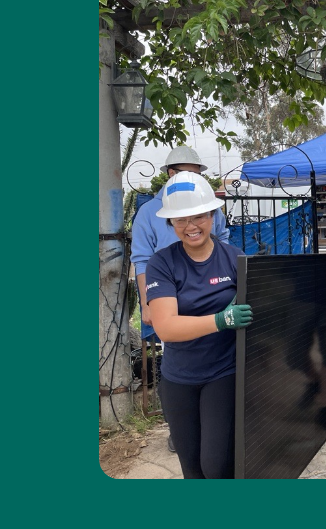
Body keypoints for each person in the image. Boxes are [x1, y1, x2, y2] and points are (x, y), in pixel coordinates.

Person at [143, 171, 253, 479]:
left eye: (198, 216)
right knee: (192, 470)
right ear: (171, 223)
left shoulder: (234, 258)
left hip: (223, 373)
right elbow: (166, 327)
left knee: (216, 466)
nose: (191, 227)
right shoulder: (162, 263)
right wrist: (220, 320)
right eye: (180, 220)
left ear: (212, 215)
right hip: (179, 379)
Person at [130, 146, 230, 453]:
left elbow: (224, 243)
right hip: (169, 293)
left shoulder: (214, 211)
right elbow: (143, 259)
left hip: (209, 290)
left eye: (198, 173)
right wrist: (148, 303)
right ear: (171, 173)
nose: (191, 224)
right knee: (173, 352)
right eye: (189, 173)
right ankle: (182, 424)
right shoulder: (150, 213)